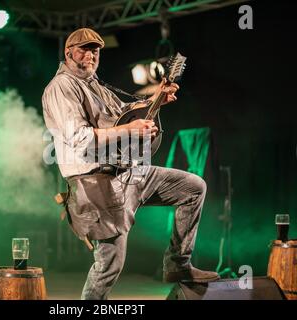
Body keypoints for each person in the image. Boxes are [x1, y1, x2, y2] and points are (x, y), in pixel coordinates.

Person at [42, 28, 219, 300]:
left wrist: (156, 99)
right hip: (95, 182)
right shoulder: (61, 87)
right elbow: (80, 138)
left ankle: (177, 263)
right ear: (68, 53)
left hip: (128, 173)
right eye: (84, 49)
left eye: (95, 50)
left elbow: (125, 116)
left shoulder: (96, 85)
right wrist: (130, 131)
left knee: (193, 188)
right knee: (109, 263)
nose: (90, 55)